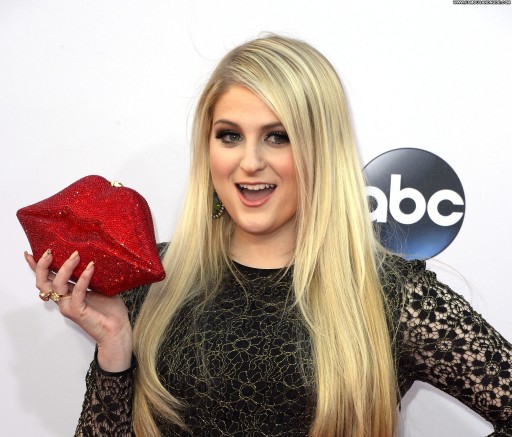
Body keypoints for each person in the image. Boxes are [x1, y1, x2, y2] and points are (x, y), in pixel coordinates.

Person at [25, 35, 512, 437]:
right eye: (230, 135)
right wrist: (114, 348)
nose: (250, 162)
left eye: (278, 136)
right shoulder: (155, 280)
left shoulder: (390, 294)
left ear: (321, 151)